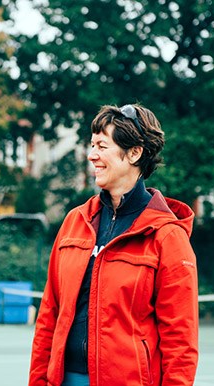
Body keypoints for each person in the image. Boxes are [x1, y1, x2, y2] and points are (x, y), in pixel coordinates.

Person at [29, 104, 198, 385]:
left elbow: (180, 340)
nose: (92, 155)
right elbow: (49, 316)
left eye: (102, 146)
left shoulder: (167, 236)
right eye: (92, 144)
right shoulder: (75, 222)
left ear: (134, 153)